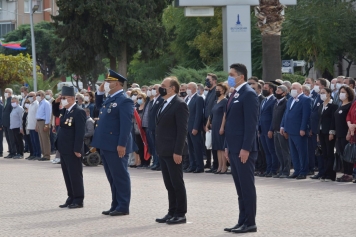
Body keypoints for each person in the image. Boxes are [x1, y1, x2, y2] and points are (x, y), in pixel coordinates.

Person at [91, 69, 134, 216]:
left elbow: (126, 125)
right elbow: (98, 106)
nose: (106, 84)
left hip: (116, 145)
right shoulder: (111, 99)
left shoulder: (124, 100)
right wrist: (100, 91)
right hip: (106, 144)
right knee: (112, 177)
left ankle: (123, 206)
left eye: (108, 82)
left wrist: (122, 144)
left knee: (120, 176)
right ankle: (115, 204)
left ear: (116, 84)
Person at [223, 63, 259, 234]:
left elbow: (251, 125)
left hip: (244, 149)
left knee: (246, 187)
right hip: (234, 147)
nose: (229, 77)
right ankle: (242, 220)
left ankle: (250, 222)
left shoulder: (248, 94)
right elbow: (231, 123)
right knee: (240, 188)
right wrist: (228, 147)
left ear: (241, 76)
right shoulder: (236, 94)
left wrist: (246, 148)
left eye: (232, 74)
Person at [155, 76, 189, 225]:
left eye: (164, 85)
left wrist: (178, 151)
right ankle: (172, 211)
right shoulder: (164, 103)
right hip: (163, 149)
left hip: (173, 150)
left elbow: (182, 130)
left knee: (177, 182)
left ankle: (180, 213)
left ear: (172, 89)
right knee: (169, 183)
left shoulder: (179, 104)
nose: (161, 88)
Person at [53, 86, 86, 209]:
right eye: (61, 98)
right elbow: (56, 112)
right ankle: (71, 196)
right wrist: (55, 102)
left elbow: (80, 132)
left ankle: (78, 199)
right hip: (64, 148)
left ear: (72, 98)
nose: (62, 100)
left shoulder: (79, 111)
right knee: (67, 174)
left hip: (73, 149)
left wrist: (77, 149)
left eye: (64, 98)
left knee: (75, 174)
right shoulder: (65, 111)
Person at [281, 83, 312, 179]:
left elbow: (306, 115)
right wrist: (282, 126)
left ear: (301, 89)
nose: (292, 90)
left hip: (299, 130)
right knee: (293, 152)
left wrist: (303, 128)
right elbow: (286, 114)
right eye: (292, 88)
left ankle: (303, 171)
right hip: (290, 130)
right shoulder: (290, 99)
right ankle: (297, 170)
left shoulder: (306, 99)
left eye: (294, 88)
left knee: (302, 152)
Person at [331, 86, 354, 182]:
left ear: (348, 94)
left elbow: (350, 119)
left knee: (347, 154)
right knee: (341, 154)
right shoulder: (340, 105)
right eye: (340, 92)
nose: (341, 94)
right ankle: (345, 173)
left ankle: (349, 174)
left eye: (343, 92)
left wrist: (349, 133)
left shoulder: (350, 105)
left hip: (346, 134)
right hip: (339, 134)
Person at [205, 83, 228, 174]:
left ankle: (224, 166)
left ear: (223, 91)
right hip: (214, 125)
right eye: (216, 89)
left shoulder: (225, 101)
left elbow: (225, 115)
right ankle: (219, 166)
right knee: (217, 147)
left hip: (220, 125)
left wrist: (222, 127)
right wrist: (207, 124)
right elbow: (211, 114)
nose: (217, 91)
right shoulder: (216, 101)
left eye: (219, 89)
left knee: (222, 147)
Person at [317, 88, 338, 181]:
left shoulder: (333, 106)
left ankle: (331, 174)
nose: (322, 95)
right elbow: (319, 120)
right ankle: (325, 173)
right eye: (320, 93)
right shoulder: (321, 105)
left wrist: (332, 132)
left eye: (323, 93)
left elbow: (333, 120)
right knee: (324, 153)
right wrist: (318, 133)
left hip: (329, 132)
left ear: (329, 94)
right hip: (321, 132)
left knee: (330, 153)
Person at [258, 82, 278, 177]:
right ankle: (268, 169)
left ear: (271, 89)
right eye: (263, 88)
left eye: (265, 88)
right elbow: (260, 115)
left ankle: (273, 169)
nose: (263, 89)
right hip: (262, 130)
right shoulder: (264, 100)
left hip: (269, 130)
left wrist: (271, 129)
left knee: (271, 151)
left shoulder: (274, 100)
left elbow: (273, 117)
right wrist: (259, 128)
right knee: (266, 151)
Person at [184, 82, 205, 173]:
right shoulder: (187, 99)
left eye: (189, 88)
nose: (187, 89)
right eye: (187, 88)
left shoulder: (198, 98)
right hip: (187, 127)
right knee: (190, 148)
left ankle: (199, 166)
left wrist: (196, 127)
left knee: (197, 147)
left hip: (194, 127)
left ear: (194, 89)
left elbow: (198, 114)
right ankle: (192, 165)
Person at [271, 85, 291, 178]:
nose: (276, 92)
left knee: (285, 151)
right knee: (278, 152)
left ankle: (286, 171)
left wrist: (285, 129)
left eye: (279, 91)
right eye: (276, 91)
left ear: (284, 93)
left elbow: (286, 117)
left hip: (282, 131)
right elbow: (273, 117)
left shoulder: (286, 102)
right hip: (275, 131)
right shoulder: (276, 103)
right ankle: (281, 170)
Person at [309, 78, 326, 178]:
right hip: (314, 129)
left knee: (321, 151)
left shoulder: (323, 97)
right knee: (317, 151)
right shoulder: (316, 96)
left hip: (320, 129)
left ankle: (323, 171)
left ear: (323, 86)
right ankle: (320, 171)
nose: (315, 86)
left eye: (317, 84)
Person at [148, 84, 164, 171]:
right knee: (154, 146)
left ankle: (159, 163)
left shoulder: (161, 99)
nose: (153, 90)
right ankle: (155, 162)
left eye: (155, 89)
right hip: (152, 126)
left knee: (158, 146)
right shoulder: (154, 99)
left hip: (156, 127)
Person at [204, 73, 218, 171]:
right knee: (208, 143)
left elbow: (214, 107)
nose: (207, 82)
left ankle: (216, 164)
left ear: (214, 81)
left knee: (214, 144)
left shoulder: (216, 91)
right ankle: (209, 162)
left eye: (209, 80)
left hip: (212, 121)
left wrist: (210, 121)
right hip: (206, 121)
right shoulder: (209, 92)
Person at [133, 92, 151, 168]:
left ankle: (147, 162)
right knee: (139, 147)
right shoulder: (135, 108)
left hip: (144, 129)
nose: (139, 99)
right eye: (138, 98)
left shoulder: (147, 107)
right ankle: (142, 162)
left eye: (140, 98)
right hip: (137, 130)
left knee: (146, 146)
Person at [35, 90, 52, 161]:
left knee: (45, 139)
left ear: (42, 95)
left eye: (39, 95)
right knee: (41, 139)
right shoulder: (40, 103)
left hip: (44, 122)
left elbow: (48, 114)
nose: (37, 97)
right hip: (39, 122)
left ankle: (47, 155)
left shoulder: (46, 103)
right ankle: (44, 154)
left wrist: (46, 124)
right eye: (37, 95)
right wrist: (36, 125)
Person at [26, 92, 42, 160]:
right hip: (30, 125)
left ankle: (38, 154)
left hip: (35, 126)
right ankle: (34, 153)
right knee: (32, 141)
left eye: (31, 96)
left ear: (35, 96)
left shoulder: (36, 104)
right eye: (29, 96)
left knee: (36, 141)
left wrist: (37, 125)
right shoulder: (31, 104)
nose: (30, 97)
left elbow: (37, 116)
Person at [3, 88, 16, 158]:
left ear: (10, 93)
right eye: (5, 92)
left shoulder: (11, 100)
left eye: (6, 92)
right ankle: (10, 151)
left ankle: (13, 152)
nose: (5, 93)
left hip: (10, 122)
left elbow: (12, 112)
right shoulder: (6, 100)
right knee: (8, 138)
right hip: (5, 123)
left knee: (11, 138)